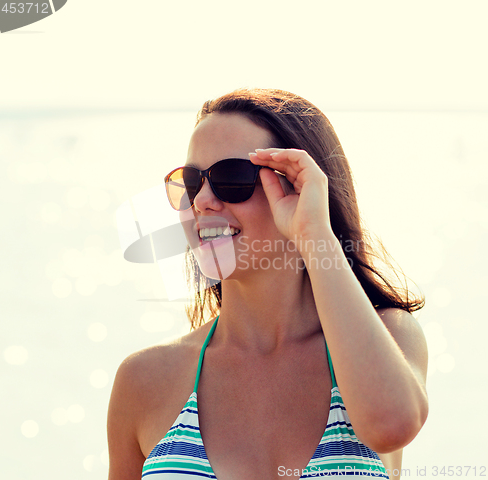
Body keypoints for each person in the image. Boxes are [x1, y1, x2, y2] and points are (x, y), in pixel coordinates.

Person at [107, 88, 429, 480]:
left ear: (298, 190)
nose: (203, 200)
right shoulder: (145, 379)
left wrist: (314, 234)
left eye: (232, 178)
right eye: (191, 182)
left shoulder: (388, 337)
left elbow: (391, 425)